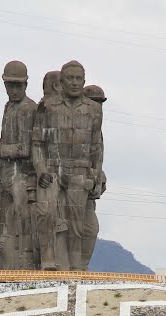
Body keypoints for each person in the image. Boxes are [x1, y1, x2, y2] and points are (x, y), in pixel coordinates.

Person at [31, 60, 103, 271]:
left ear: (83, 81)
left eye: (78, 79)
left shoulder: (94, 110)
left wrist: (95, 176)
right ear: (61, 82)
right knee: (46, 211)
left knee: (77, 224)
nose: (74, 83)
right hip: (51, 170)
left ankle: (77, 269)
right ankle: (48, 260)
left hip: (79, 172)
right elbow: (36, 144)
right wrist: (41, 170)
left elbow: (97, 148)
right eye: (69, 78)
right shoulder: (47, 107)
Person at [0, 60, 37, 269]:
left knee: (20, 213)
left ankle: (23, 261)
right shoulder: (8, 107)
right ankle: (2, 262)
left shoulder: (29, 108)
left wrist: (2, 150)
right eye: (10, 85)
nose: (14, 89)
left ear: (26, 85)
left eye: (18, 85)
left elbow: (26, 149)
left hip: (23, 173)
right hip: (4, 171)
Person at [80, 85, 108, 270]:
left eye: (100, 104)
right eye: (94, 103)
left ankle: (81, 268)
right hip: (74, 187)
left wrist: (101, 176)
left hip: (89, 194)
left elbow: (97, 161)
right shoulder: (80, 128)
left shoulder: (98, 132)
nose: (97, 108)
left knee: (90, 230)